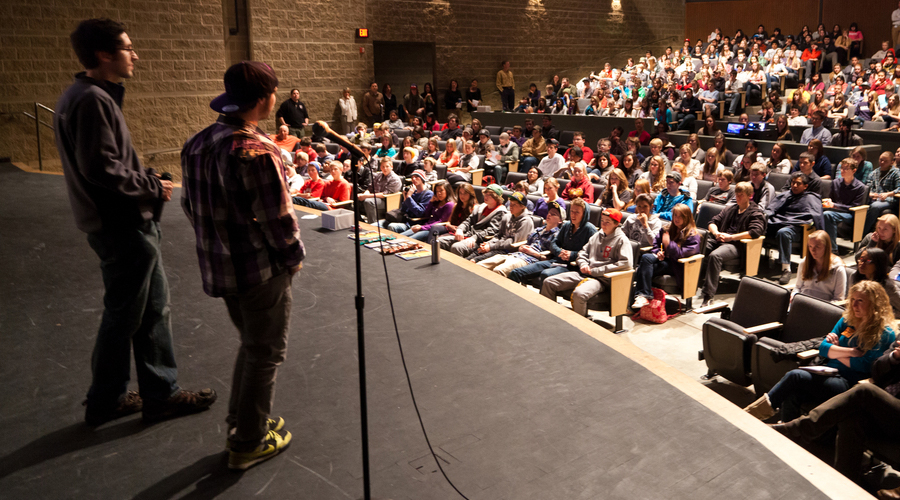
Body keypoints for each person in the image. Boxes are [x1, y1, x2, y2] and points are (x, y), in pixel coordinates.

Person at [55, 18, 217, 427]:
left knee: (151, 310)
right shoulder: (91, 99)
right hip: (123, 226)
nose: (135, 54)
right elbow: (102, 168)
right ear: (104, 54)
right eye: (128, 48)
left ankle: (158, 393)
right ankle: (107, 398)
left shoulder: (85, 95)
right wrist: (150, 186)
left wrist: (145, 179)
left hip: (123, 223)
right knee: (125, 315)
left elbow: (104, 163)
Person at [182, 60, 306, 468]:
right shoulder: (256, 151)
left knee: (252, 346)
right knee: (266, 352)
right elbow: (279, 220)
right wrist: (293, 259)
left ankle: (243, 420)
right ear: (265, 99)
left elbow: (189, 206)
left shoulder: (197, 143)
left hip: (220, 267)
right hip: (259, 271)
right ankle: (249, 441)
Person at [744, 281, 896, 424]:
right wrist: (850, 351)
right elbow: (823, 348)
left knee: (795, 376)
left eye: (860, 301)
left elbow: (864, 366)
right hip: (827, 371)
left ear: (874, 304)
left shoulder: (884, 333)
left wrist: (835, 351)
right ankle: (786, 429)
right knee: (792, 392)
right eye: (853, 299)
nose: (854, 305)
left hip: (849, 383)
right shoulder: (847, 320)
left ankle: (753, 413)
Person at [540, 208, 634, 317]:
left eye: (607, 222)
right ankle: (548, 317)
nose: (603, 224)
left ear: (616, 224)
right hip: (584, 272)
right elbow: (583, 252)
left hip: (601, 279)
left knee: (579, 294)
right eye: (602, 220)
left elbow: (626, 263)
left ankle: (580, 327)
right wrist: (583, 264)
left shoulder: (622, 240)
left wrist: (597, 271)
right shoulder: (597, 235)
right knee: (549, 282)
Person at [699, 182, 767, 305]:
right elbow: (713, 222)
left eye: (741, 195)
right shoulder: (731, 209)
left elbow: (755, 232)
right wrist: (716, 233)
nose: (737, 197)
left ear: (749, 196)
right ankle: (692, 282)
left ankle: (708, 295)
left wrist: (731, 237)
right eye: (736, 194)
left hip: (735, 245)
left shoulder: (755, 212)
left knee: (715, 256)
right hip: (720, 238)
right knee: (699, 246)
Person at [509, 197, 596, 285]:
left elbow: (591, 253)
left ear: (584, 214)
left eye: (577, 212)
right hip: (557, 261)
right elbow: (554, 243)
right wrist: (560, 251)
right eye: (572, 211)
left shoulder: (590, 230)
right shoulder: (567, 226)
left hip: (573, 266)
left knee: (545, 274)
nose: (573, 215)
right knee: (516, 272)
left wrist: (572, 254)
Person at [631, 204, 702, 310]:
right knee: (644, 261)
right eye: (675, 215)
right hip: (664, 261)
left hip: (677, 266)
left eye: (680, 216)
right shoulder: (668, 229)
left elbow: (681, 254)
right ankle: (643, 297)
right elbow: (656, 244)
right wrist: (659, 252)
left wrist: (669, 244)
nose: (676, 219)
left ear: (686, 217)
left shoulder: (693, 235)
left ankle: (638, 300)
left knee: (642, 267)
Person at [766, 172, 826, 285]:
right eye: (793, 183)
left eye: (798, 183)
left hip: (797, 229)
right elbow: (771, 209)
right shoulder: (785, 195)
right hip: (779, 222)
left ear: (805, 186)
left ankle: (786, 269)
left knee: (783, 232)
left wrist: (821, 235)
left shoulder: (811, 198)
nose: (794, 186)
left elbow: (818, 217)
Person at [479, 201, 565, 277]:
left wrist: (534, 253)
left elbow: (550, 259)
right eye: (549, 212)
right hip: (516, 254)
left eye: (553, 214)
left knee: (498, 270)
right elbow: (527, 243)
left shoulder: (557, 235)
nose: (549, 215)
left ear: (560, 221)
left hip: (529, 260)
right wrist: (521, 247)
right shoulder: (538, 230)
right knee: (481, 265)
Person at [440, 184, 508, 257]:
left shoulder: (500, 212)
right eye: (485, 194)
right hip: (469, 235)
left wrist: (475, 237)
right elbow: (468, 221)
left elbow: (491, 231)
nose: (486, 196)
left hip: (481, 241)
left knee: (457, 247)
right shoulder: (481, 207)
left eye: (490, 195)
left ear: (496, 198)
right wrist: (460, 229)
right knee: (440, 241)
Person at [468, 191, 534, 262]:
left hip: (509, 251)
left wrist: (491, 246)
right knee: (469, 257)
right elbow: (499, 235)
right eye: (510, 203)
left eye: (514, 204)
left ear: (522, 206)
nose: (511, 206)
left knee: (474, 260)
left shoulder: (526, 221)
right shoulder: (507, 216)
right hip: (498, 246)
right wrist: (488, 243)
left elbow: (512, 243)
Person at [822, 158, 867, 254]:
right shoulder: (835, 182)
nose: (842, 171)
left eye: (846, 169)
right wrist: (829, 201)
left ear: (854, 171)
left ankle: (833, 249)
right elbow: (831, 199)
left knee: (828, 215)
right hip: (835, 210)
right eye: (842, 168)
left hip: (850, 214)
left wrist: (834, 205)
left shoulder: (860, 187)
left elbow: (854, 207)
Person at [791, 230, 847, 302]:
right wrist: (794, 295)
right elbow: (798, 287)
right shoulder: (804, 263)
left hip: (823, 307)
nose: (813, 250)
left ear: (826, 248)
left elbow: (839, 299)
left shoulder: (838, 269)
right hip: (803, 303)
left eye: (817, 247)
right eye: (810, 246)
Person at [864, 151, 900, 235]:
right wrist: (871, 194)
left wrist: (888, 194)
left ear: (892, 162)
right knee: (860, 203)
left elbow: (899, 188)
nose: (882, 162)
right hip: (874, 198)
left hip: (889, 200)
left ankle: (862, 233)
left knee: (875, 206)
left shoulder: (896, 173)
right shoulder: (874, 172)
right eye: (880, 160)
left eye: (885, 161)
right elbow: (867, 186)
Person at [360, 157, 402, 223]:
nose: (385, 169)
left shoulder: (395, 179)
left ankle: (372, 224)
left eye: (387, 166)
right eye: (383, 166)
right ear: (380, 167)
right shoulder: (378, 175)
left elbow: (384, 194)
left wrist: (366, 196)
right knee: (357, 198)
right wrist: (365, 194)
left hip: (386, 201)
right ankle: (361, 222)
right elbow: (370, 188)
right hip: (375, 198)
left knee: (368, 201)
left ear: (391, 167)